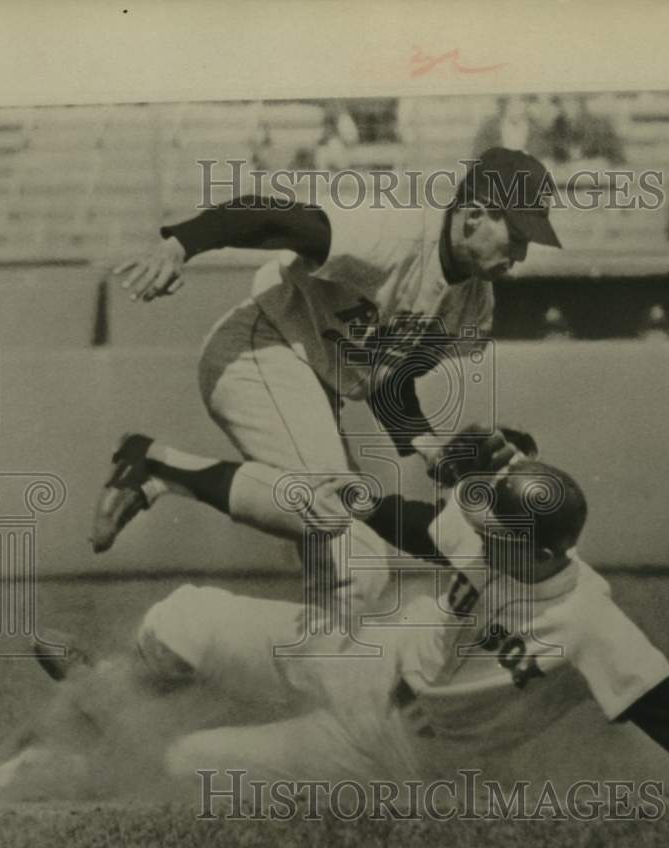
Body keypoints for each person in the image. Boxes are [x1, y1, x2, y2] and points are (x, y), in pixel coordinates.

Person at [0, 437, 669, 800]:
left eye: (501, 529)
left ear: (546, 548)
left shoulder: (594, 623)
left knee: (185, 765)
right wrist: (351, 497)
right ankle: (104, 685)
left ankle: (84, 764)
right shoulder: (493, 537)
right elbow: (414, 522)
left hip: (394, 748)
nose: (482, 531)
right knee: (183, 616)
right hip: (365, 653)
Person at [92, 147, 562, 558]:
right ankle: (157, 467)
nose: (521, 255)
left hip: (314, 381)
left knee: (359, 567)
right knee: (328, 506)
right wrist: (180, 246)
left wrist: (430, 448)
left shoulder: (474, 305)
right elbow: (271, 217)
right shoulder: (392, 234)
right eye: (518, 236)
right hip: (262, 345)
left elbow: (389, 379)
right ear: (475, 214)